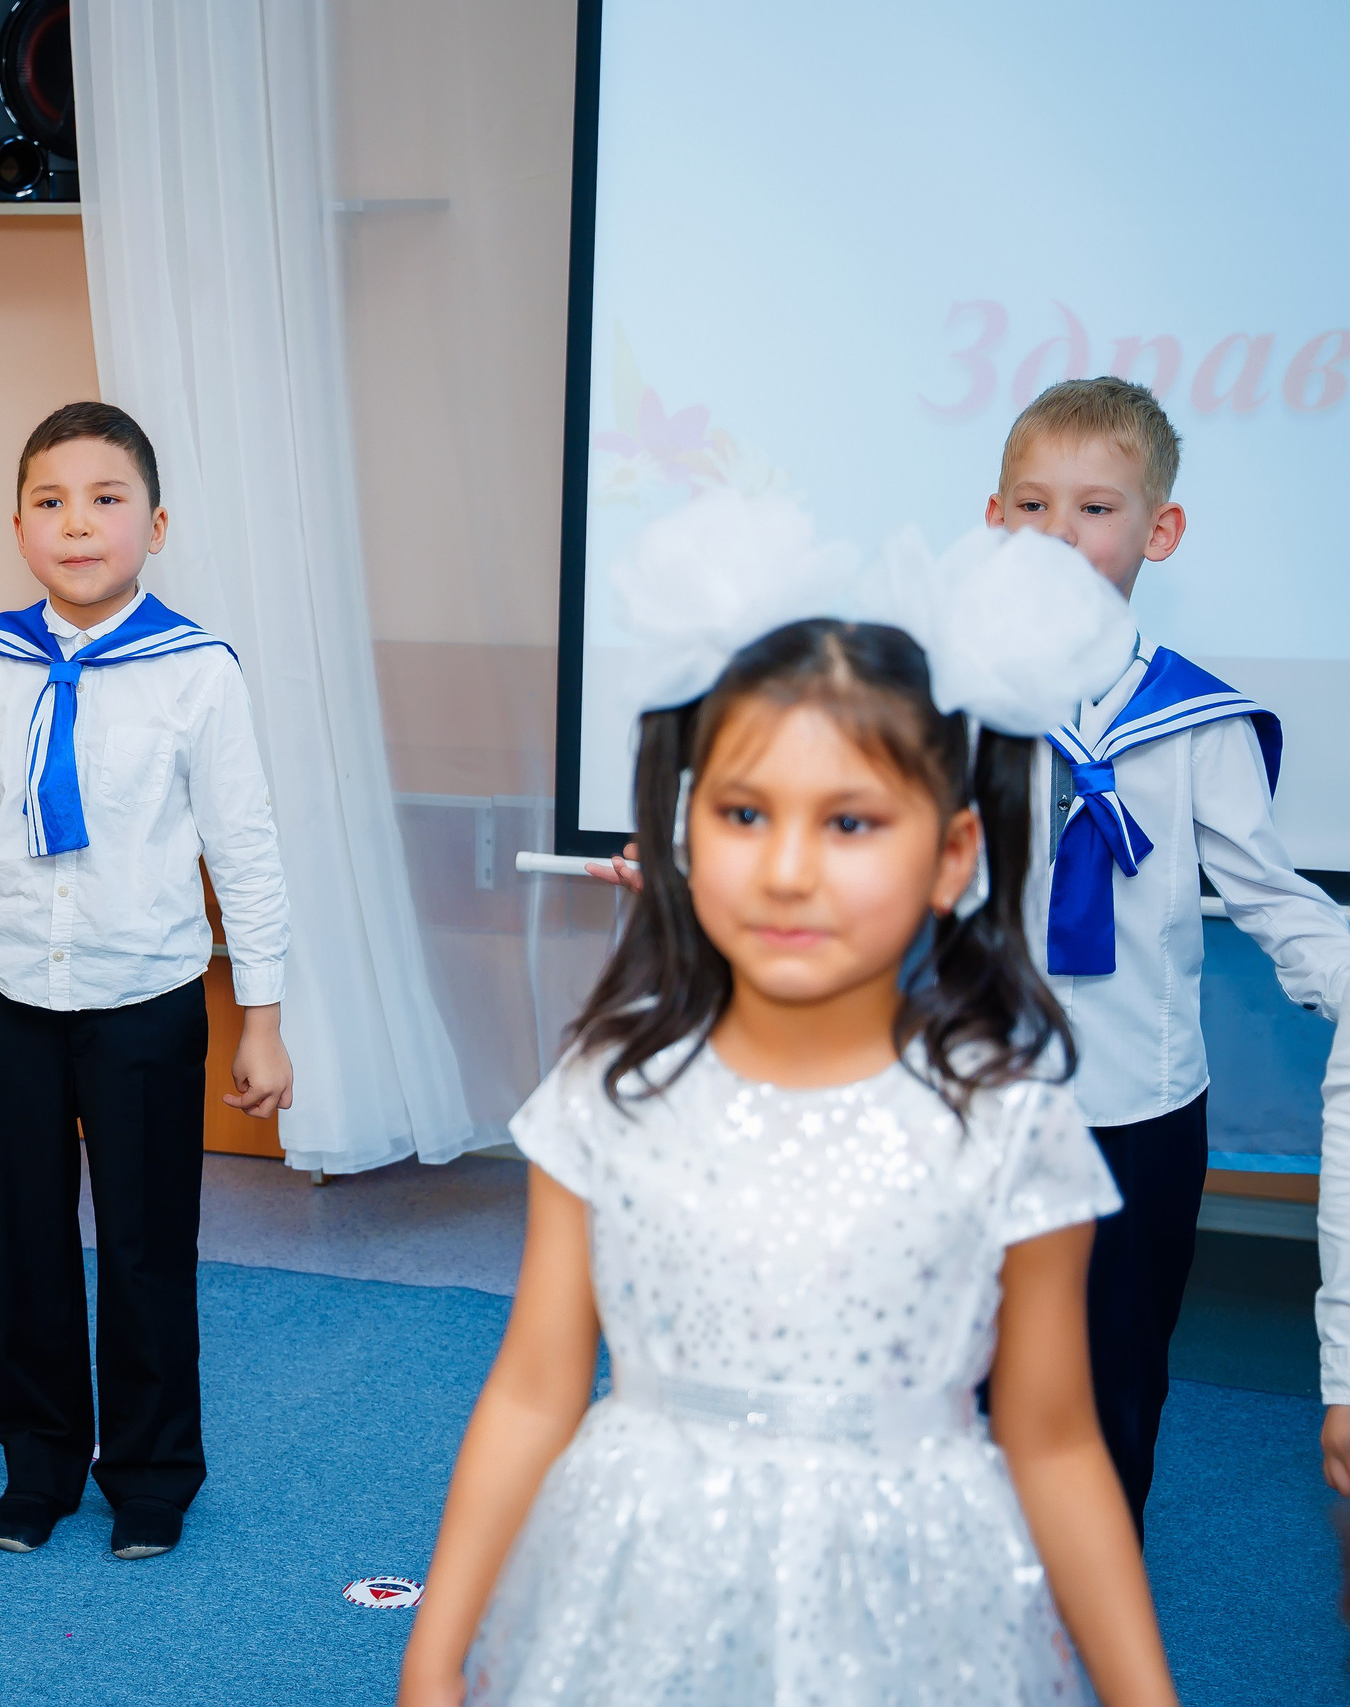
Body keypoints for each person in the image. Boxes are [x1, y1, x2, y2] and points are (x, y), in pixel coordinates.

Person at [398, 494, 1177, 1705]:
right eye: (744, 812)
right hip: (640, 1593)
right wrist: (434, 1651)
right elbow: (537, 1382)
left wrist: (1143, 1694)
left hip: (914, 1610)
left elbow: (1056, 1434)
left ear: (953, 854)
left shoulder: (1008, 1119)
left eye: (852, 821)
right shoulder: (610, 1088)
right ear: (683, 826)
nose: (788, 868)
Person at [0, 401, 293, 1562]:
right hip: (10, 989)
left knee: (142, 1242)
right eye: (50, 501)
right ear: (19, 528)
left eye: (106, 498)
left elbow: (246, 845)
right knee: (19, 1238)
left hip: (145, 996)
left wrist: (261, 1019)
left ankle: (150, 1473)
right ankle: (39, 1464)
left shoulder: (198, 672)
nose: (77, 524)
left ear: (157, 524)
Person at [987, 377, 1350, 1527]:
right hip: (976, 1100)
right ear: (994, 520)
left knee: (1114, 1381)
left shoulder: (1198, 721)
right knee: (958, 1374)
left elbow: (1271, 897)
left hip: (1138, 1115)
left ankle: (1086, 1605)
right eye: (1032, 506)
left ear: (1159, 530)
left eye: (1094, 509)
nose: (1059, 535)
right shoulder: (953, 704)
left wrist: (1339, 972)